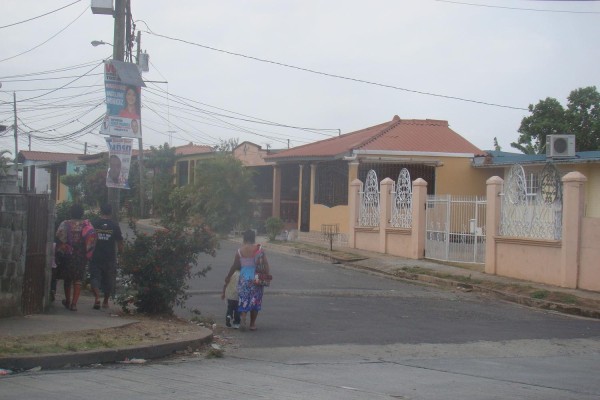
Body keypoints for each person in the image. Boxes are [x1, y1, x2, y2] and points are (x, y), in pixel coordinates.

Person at [224, 229, 270, 331]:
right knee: (255, 301)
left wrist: (228, 276)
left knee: (244, 300)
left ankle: (243, 315)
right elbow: (265, 264)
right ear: (253, 238)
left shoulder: (240, 251)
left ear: (244, 238)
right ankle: (252, 324)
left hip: (244, 279)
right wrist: (267, 274)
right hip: (256, 279)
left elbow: (235, 265)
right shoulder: (259, 249)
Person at [55, 204, 96, 311]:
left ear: (71, 212)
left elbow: (59, 236)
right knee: (78, 279)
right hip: (81, 255)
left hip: (68, 254)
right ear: (82, 213)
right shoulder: (86, 224)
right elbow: (91, 240)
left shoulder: (65, 223)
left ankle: (68, 301)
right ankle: (74, 304)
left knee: (67, 279)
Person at [90, 204, 124, 310]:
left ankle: (97, 298)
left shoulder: (94, 223)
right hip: (110, 257)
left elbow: (89, 239)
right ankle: (105, 301)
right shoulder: (114, 225)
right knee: (109, 279)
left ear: (101, 211)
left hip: (96, 256)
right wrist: (121, 255)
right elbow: (120, 242)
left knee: (95, 277)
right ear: (111, 212)